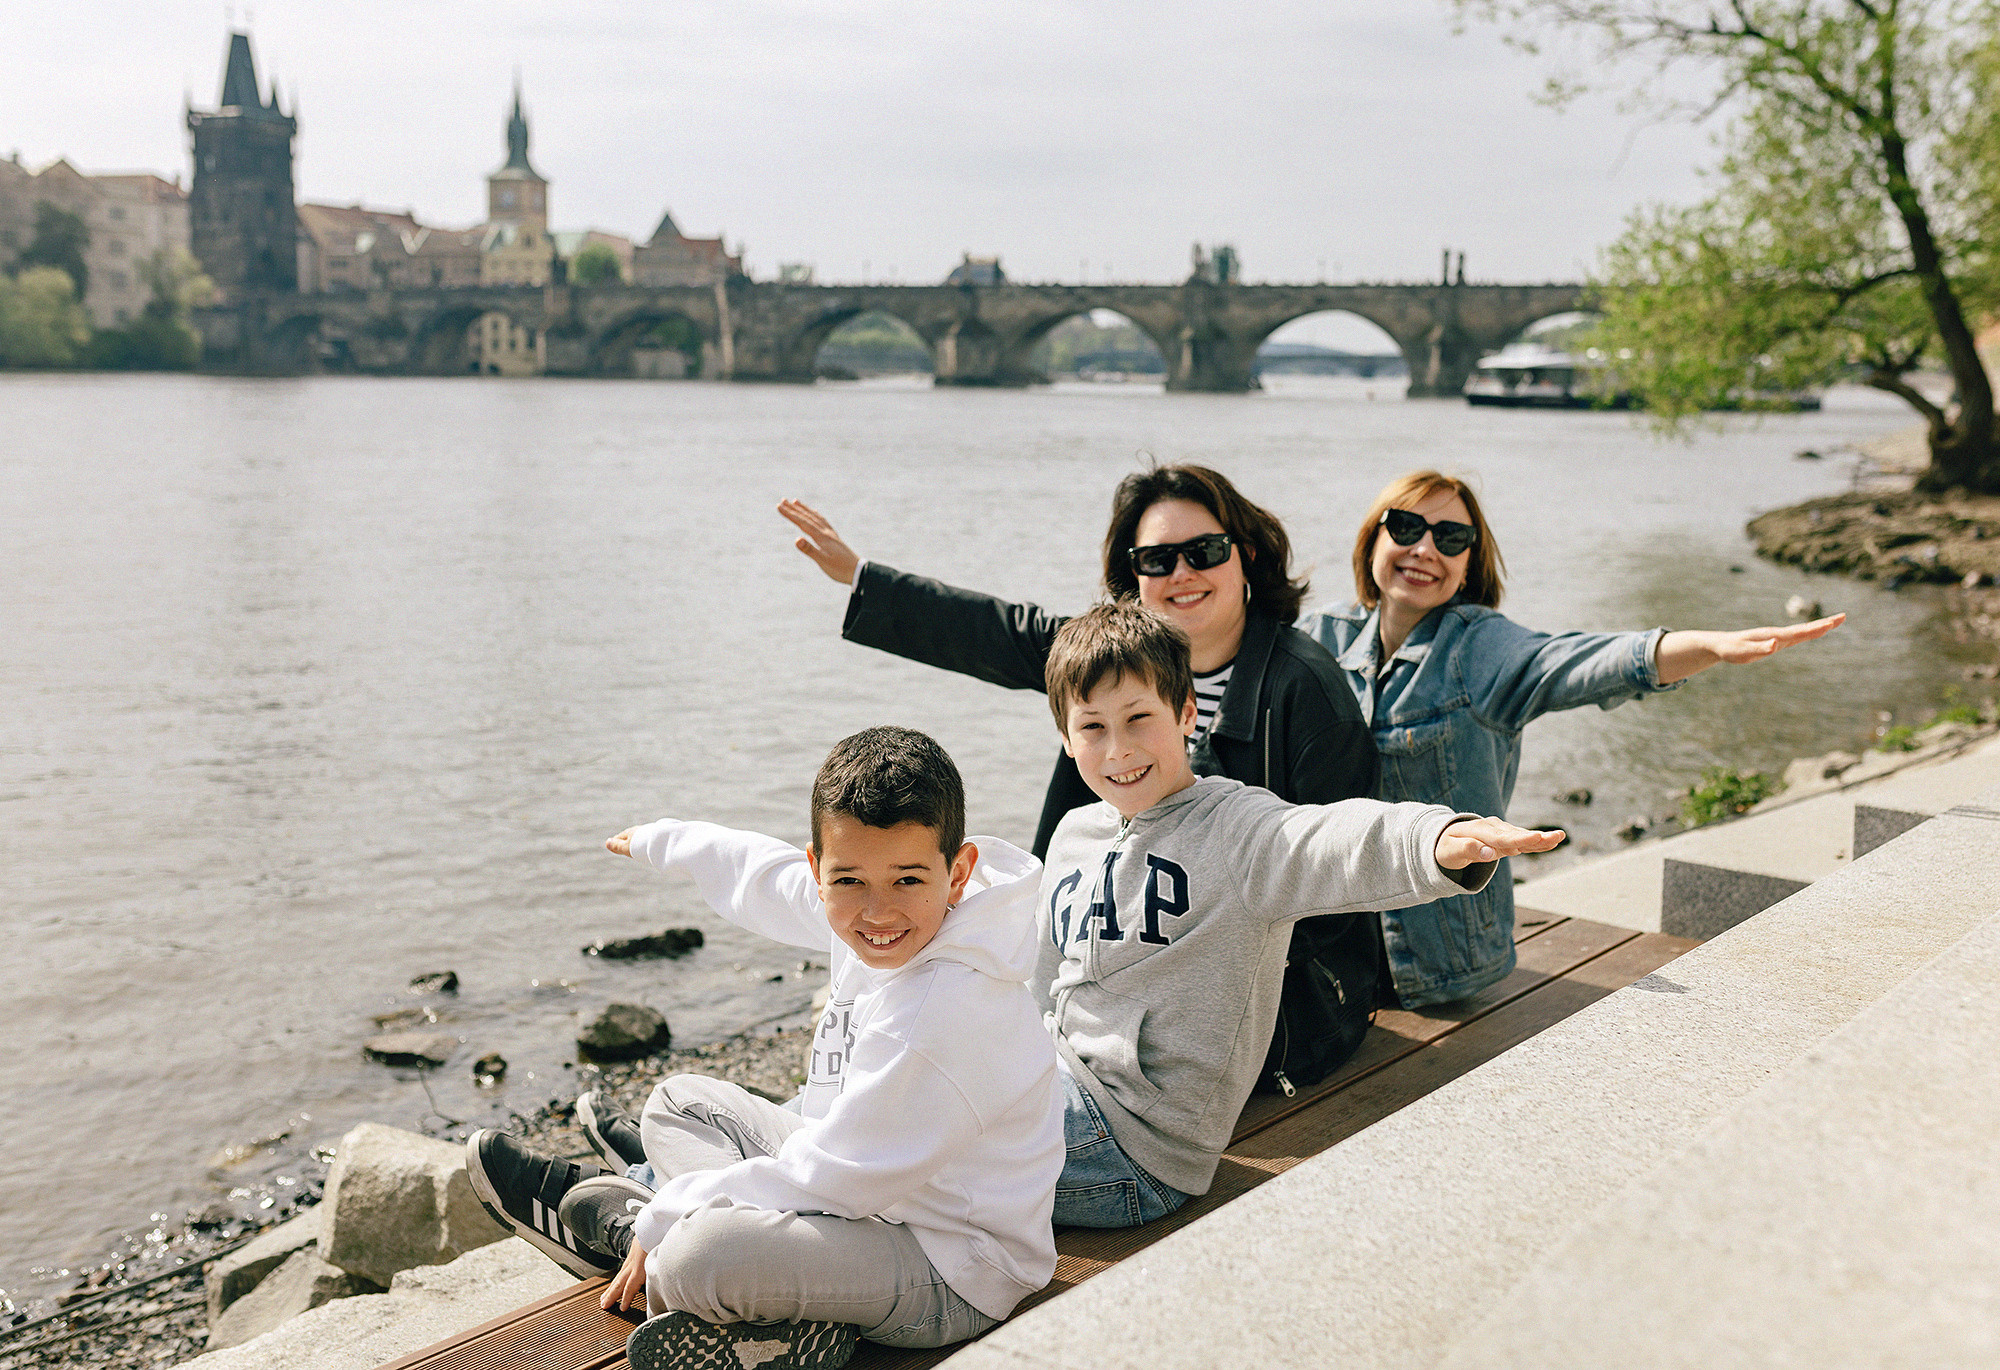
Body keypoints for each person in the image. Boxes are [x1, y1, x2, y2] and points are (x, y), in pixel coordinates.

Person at [463, 726, 1063, 1370]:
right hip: (868, 1196)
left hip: (952, 1267)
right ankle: (718, 1262)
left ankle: (677, 1250)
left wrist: (677, 1211)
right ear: (821, 872)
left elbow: (836, 1178)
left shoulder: (940, 1009)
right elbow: (767, 878)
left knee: (701, 1258)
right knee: (678, 1103)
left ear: (959, 872)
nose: (879, 911)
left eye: (908, 880)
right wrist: (669, 841)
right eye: (850, 881)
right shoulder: (894, 918)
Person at [780, 465, 1384, 1093]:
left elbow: (1334, 880)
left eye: (1203, 551)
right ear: (1134, 575)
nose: (1181, 573)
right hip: (1123, 947)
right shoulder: (1107, 664)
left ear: (1245, 556)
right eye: (1156, 559)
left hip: (1276, 1002)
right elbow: (995, 629)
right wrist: (861, 577)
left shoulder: (1304, 690)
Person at [1029, 602, 1562, 1224]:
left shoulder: (1237, 834)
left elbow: (1331, 839)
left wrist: (1435, 840)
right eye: (1092, 727)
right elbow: (1039, 981)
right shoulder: (1073, 833)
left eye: (1139, 718)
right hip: (1054, 1085)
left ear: (1185, 714)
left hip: (1140, 1148)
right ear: (1066, 737)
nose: (1117, 749)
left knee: (922, 1159)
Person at [1298, 469, 1845, 1008]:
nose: (1424, 549)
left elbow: (1577, 661)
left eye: (1451, 537)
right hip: (1328, 945)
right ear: (1374, 537)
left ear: (1468, 565)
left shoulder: (1479, 649)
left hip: (1433, 963)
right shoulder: (1322, 635)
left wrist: (1706, 646)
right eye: (1406, 527)